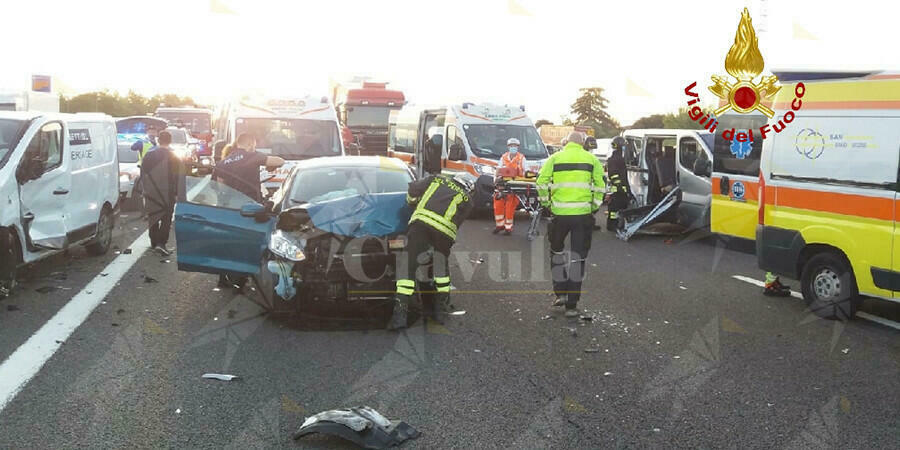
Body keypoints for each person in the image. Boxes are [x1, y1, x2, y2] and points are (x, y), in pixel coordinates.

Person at [388, 166, 476, 331]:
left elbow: (413, 188)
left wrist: (411, 201)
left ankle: (399, 317)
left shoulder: (436, 179)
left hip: (421, 225)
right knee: (441, 270)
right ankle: (440, 312)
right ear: (468, 187)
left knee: (408, 268)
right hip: (444, 234)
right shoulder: (468, 200)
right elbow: (458, 221)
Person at [537, 131, 605, 318]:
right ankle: (572, 305)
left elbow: (541, 182)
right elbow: (600, 186)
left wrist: (546, 204)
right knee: (578, 257)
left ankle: (560, 293)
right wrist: (594, 206)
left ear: (566, 142)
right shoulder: (592, 160)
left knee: (557, 251)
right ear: (583, 143)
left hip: (559, 214)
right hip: (582, 215)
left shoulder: (554, 158)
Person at [140, 131, 182, 256]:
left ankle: (153, 242)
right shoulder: (174, 157)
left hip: (151, 191)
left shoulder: (149, 155)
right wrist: (177, 193)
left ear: (158, 140)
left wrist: (145, 189)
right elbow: (177, 177)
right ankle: (161, 243)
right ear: (170, 141)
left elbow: (143, 174)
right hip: (167, 192)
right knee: (166, 218)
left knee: (153, 216)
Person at [215, 133, 285, 204]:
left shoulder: (222, 163)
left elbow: (221, 187)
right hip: (251, 205)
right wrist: (271, 166)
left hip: (231, 205)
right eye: (254, 147)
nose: (254, 149)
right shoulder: (253, 156)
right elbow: (280, 161)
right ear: (250, 145)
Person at [492, 137, 526, 235]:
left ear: (518, 147)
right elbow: (498, 170)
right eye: (511, 146)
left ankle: (508, 228)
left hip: (514, 185)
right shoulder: (503, 157)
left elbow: (526, 171)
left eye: (515, 146)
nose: (513, 147)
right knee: (498, 205)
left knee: (510, 207)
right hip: (502, 185)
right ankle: (499, 225)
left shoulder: (521, 158)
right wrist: (496, 179)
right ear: (508, 147)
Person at [605, 136, 632, 231]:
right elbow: (613, 175)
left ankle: (616, 224)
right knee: (614, 209)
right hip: (617, 190)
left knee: (619, 207)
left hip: (619, 189)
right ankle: (612, 225)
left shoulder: (618, 157)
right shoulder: (615, 159)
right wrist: (620, 186)